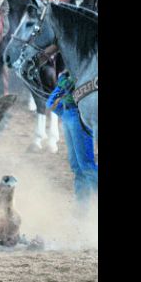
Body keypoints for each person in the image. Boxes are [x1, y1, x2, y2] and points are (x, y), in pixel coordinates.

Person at [47, 70, 98, 214]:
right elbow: (50, 103)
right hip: (69, 114)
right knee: (78, 166)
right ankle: (82, 209)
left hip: (77, 115)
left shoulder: (87, 67)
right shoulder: (68, 70)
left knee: (85, 166)